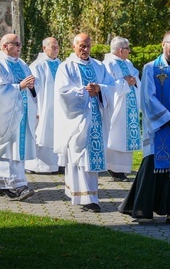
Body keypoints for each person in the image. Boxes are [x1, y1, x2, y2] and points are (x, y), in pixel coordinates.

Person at [119, 29, 170, 227]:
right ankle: (141, 210)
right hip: (160, 129)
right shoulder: (151, 68)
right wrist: (168, 119)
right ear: (162, 44)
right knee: (153, 169)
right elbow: (148, 98)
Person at [53, 33, 116, 212]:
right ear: (74, 47)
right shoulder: (66, 67)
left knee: (91, 159)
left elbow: (111, 87)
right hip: (78, 120)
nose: (85, 49)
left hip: (96, 118)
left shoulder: (98, 66)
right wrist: (84, 92)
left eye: (88, 45)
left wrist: (100, 89)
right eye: (82, 46)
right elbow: (62, 93)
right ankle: (84, 196)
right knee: (80, 157)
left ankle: (90, 196)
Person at [0, 34, 37, 201]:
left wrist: (32, 86)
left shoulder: (22, 64)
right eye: (16, 44)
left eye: (20, 43)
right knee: (5, 149)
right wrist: (20, 86)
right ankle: (14, 186)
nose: (20, 47)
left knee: (16, 150)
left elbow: (30, 85)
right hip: (5, 115)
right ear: (5, 46)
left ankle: (6, 185)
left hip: (21, 113)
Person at [101, 36, 141, 182]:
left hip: (128, 106)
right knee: (116, 136)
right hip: (116, 106)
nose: (129, 51)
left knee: (125, 137)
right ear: (120, 50)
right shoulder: (107, 64)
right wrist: (125, 82)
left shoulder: (127, 63)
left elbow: (135, 77)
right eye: (127, 48)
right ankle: (114, 169)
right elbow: (107, 86)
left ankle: (123, 168)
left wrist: (133, 81)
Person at [26, 37, 63, 174]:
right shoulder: (37, 66)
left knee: (55, 134)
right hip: (42, 107)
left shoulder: (60, 64)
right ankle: (35, 166)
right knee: (40, 134)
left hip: (58, 108)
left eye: (57, 46)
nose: (56, 49)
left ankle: (55, 165)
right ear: (44, 48)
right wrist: (36, 108)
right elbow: (33, 90)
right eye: (53, 47)